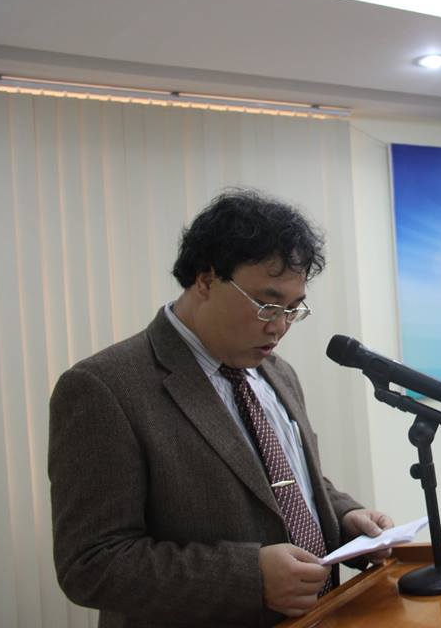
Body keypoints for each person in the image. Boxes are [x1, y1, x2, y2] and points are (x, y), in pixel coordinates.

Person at [48, 189, 393, 627]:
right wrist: (249, 578)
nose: (279, 327)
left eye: (293, 309)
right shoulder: (105, 388)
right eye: (267, 305)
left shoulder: (277, 373)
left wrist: (344, 517)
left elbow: (286, 482)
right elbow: (91, 563)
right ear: (206, 279)